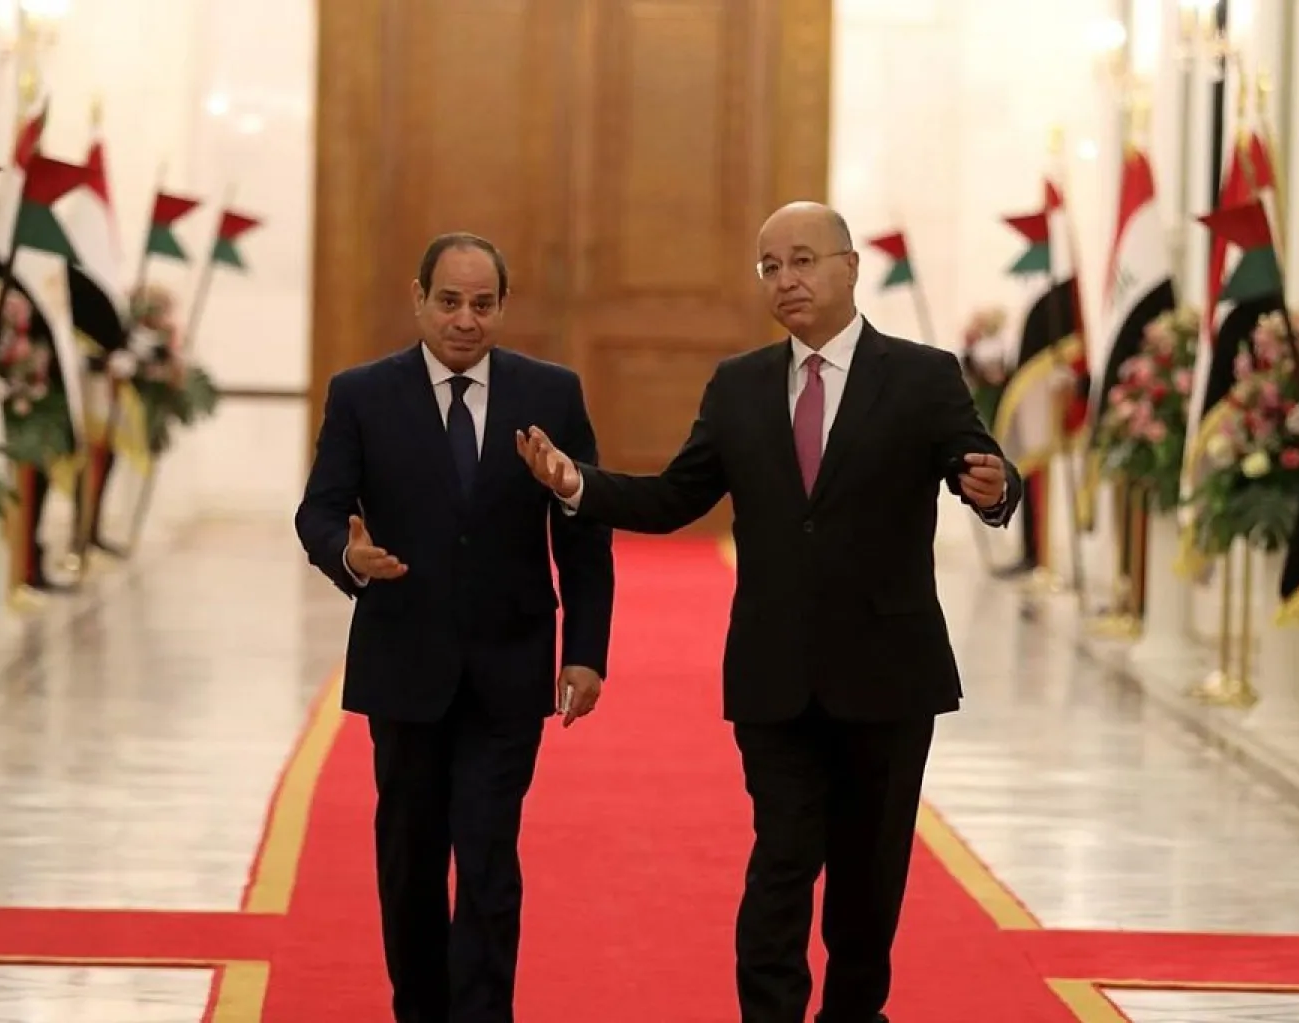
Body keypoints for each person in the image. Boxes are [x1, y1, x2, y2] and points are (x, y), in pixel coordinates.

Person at [515, 202, 1021, 1023]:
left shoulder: (923, 376)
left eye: (803, 261)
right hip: (774, 676)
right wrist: (577, 484)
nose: (786, 281)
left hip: (889, 675)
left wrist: (998, 490)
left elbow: (982, 463)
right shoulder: (740, 384)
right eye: (770, 267)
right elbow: (677, 495)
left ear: (849, 267)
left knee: (867, 877)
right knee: (783, 859)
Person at [294, 232, 615, 1023]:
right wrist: (347, 554)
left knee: (487, 859)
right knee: (409, 863)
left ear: (502, 307)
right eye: (449, 301)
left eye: (482, 303)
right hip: (405, 665)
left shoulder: (553, 394)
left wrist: (586, 653)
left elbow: (584, 529)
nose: (465, 320)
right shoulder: (363, 394)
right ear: (418, 299)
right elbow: (319, 508)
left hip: (509, 668)